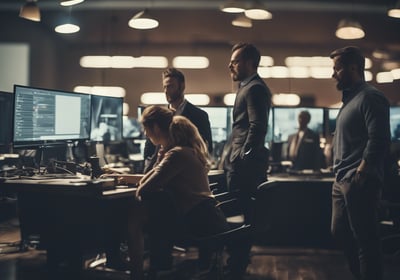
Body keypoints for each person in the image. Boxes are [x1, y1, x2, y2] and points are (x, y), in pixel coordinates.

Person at [118, 105, 229, 280]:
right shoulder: (185, 151)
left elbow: (144, 189)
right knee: (143, 213)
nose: (146, 134)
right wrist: (123, 177)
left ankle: (137, 271)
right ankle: (145, 269)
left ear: (155, 128)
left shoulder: (176, 155)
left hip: (199, 222)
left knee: (135, 215)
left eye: (146, 129)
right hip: (207, 216)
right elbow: (151, 178)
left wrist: (160, 160)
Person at [330, 46, 391, 280]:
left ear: (353, 67)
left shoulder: (370, 97)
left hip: (358, 179)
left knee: (366, 240)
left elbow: (380, 138)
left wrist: (363, 171)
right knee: (340, 233)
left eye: (337, 68)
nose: (333, 74)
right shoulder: (350, 100)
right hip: (341, 180)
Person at [223, 42, 272, 278]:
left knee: (242, 216)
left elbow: (257, 126)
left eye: (235, 61)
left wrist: (243, 156)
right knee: (240, 215)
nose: (230, 65)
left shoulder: (254, 88)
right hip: (240, 165)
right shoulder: (247, 87)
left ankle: (236, 267)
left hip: (244, 168)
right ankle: (236, 264)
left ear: (250, 63)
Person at [143, 68, 213, 173]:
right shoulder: (158, 116)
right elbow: (150, 148)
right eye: (164, 87)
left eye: (170, 86)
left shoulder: (199, 115)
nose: (166, 91)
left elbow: (206, 148)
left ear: (182, 86)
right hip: (159, 171)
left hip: (186, 173)